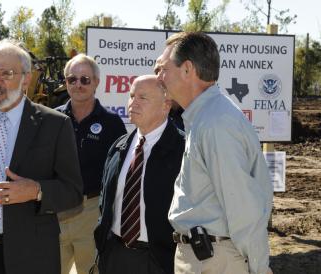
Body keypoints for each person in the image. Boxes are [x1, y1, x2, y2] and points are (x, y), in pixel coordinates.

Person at [0, 39, 83, 274]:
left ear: (26, 79)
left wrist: (35, 190)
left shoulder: (54, 124)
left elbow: (73, 192)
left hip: (30, 256)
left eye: (6, 74)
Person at [156, 31, 274, 274]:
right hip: (207, 257)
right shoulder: (205, 116)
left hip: (214, 261)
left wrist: (259, 269)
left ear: (187, 69)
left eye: (163, 69)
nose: (158, 77)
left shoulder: (215, 123)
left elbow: (243, 207)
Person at [94, 75, 185, 274]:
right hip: (114, 257)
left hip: (160, 261)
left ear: (166, 105)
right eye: (131, 95)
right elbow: (106, 202)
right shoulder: (119, 147)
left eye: (142, 98)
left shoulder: (184, 150)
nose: (133, 103)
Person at [55, 53, 126, 274]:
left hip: (92, 212)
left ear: (96, 82)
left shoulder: (113, 124)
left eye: (85, 79)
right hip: (54, 213)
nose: (78, 85)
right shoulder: (51, 120)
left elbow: (120, 173)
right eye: (72, 79)